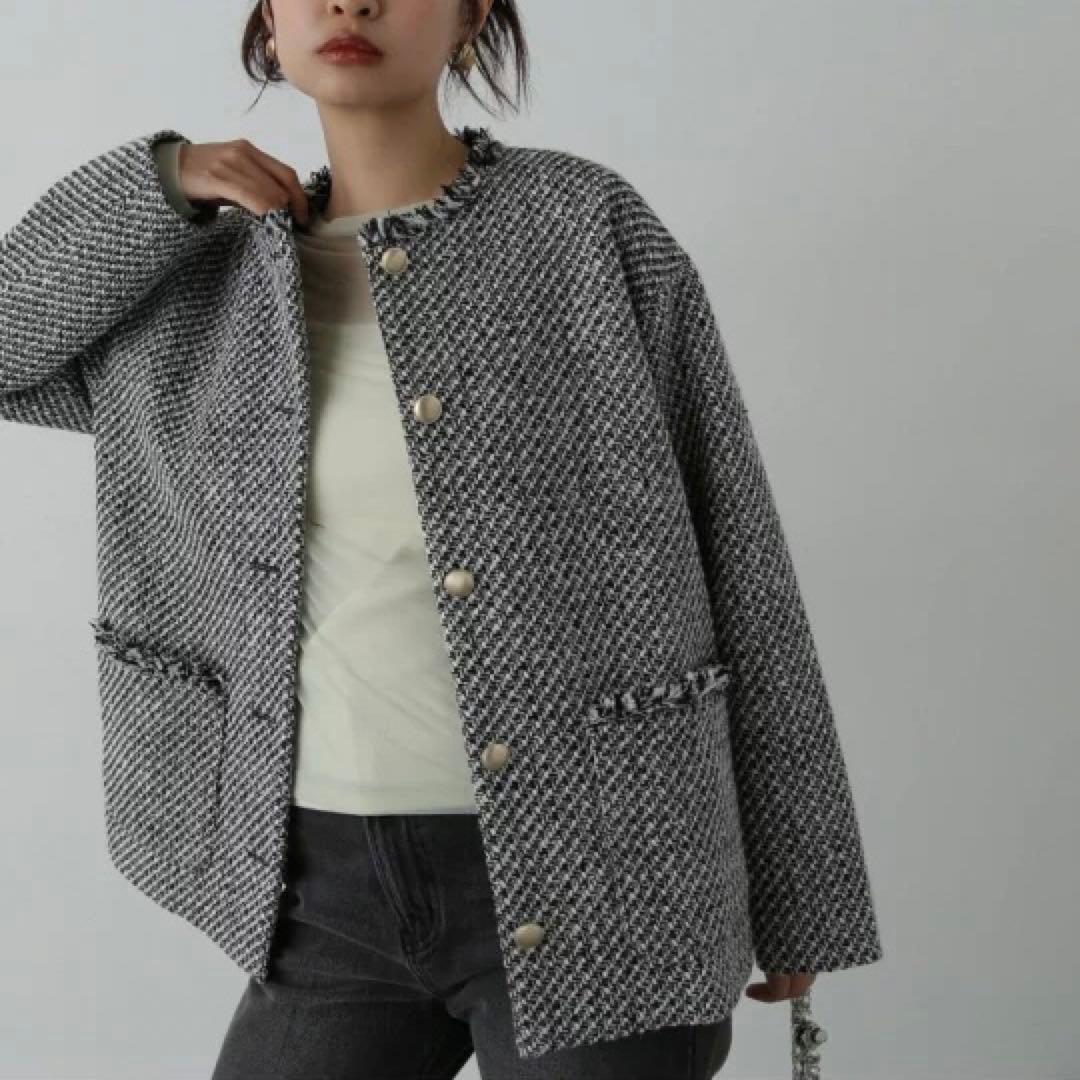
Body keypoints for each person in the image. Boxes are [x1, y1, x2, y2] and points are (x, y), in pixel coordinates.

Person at [0, 1, 883, 1076]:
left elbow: (735, 541)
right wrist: (159, 181)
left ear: (471, 18)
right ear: (268, 20)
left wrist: (800, 890)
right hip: (315, 896)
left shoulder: (584, 228)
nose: (352, 2)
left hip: (607, 873)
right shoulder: (197, 290)